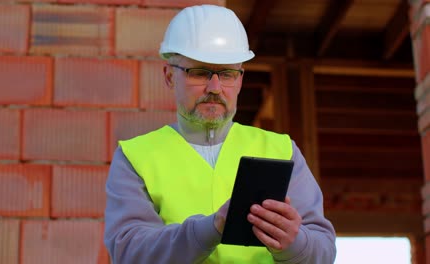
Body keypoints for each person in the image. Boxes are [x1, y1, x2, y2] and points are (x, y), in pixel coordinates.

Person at [104, 4, 336, 264]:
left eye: (226, 74)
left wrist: (295, 243)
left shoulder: (282, 151)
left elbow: (323, 252)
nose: (215, 87)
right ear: (169, 76)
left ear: (240, 79)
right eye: (199, 72)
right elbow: (130, 254)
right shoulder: (136, 157)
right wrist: (210, 229)